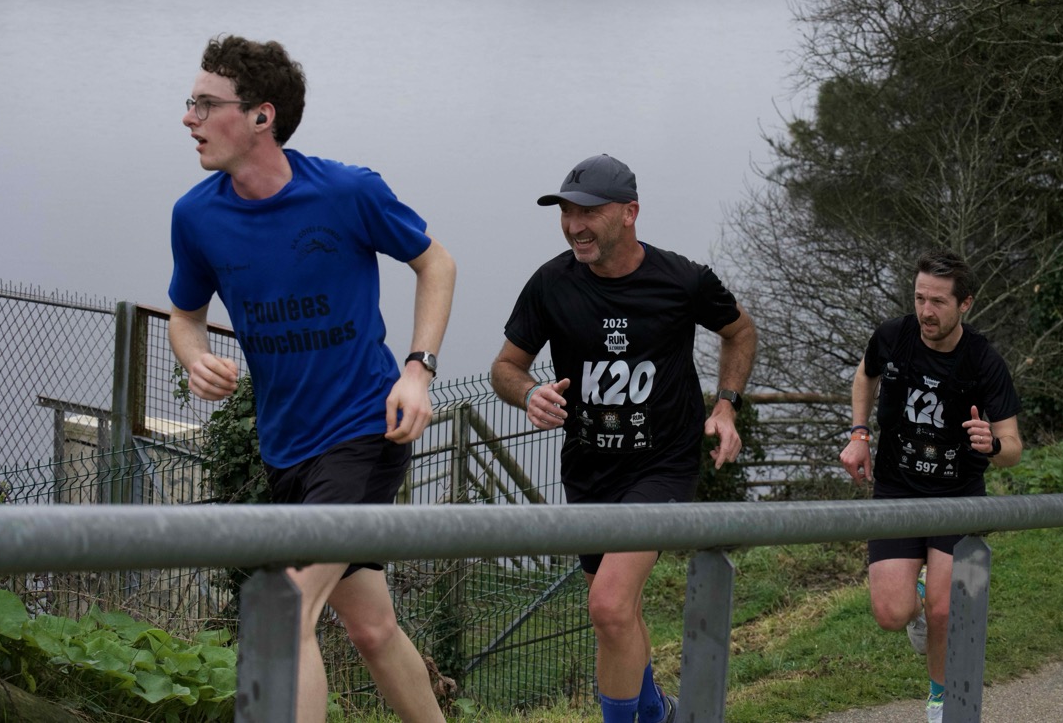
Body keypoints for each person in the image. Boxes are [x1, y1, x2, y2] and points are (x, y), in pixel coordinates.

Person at [167, 35, 456, 723]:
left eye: (206, 104)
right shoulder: (196, 215)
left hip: (363, 433)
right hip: (285, 448)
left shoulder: (348, 192)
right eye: (190, 102)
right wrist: (193, 356)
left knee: (285, 610)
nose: (189, 118)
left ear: (261, 116)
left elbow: (436, 264)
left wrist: (418, 370)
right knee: (372, 628)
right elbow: (184, 314)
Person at [489, 153, 756, 723]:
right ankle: (657, 712)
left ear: (630, 213)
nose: (574, 225)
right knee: (617, 611)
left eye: (588, 212)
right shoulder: (551, 283)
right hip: (588, 468)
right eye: (566, 212)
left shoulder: (682, 279)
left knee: (608, 605)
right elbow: (505, 367)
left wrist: (726, 406)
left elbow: (740, 331)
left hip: (662, 465)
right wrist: (529, 393)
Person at [838, 249, 1022, 723]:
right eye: (920, 298)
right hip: (897, 490)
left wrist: (991, 445)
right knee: (891, 614)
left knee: (945, 611)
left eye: (938, 301)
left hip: (957, 497)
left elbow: (1013, 447)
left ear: (965, 304)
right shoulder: (892, 336)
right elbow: (865, 374)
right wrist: (859, 434)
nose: (926, 311)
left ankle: (940, 699)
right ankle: (918, 600)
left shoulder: (983, 361)